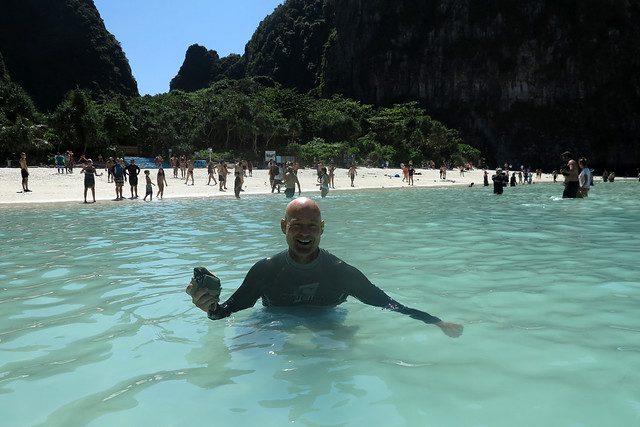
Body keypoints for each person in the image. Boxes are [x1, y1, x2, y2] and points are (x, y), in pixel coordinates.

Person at [186, 197, 463, 338]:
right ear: (284, 227)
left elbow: (388, 303)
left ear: (322, 229)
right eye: (297, 225)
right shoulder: (266, 270)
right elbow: (226, 312)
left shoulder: (341, 272)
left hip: (328, 324)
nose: (304, 233)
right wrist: (208, 305)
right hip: (275, 326)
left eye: (311, 226)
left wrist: (436, 322)